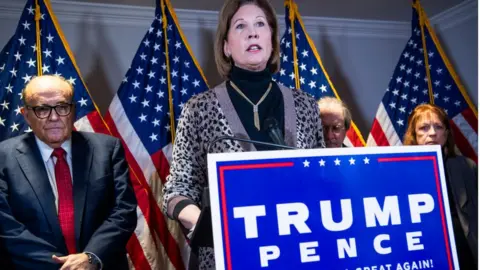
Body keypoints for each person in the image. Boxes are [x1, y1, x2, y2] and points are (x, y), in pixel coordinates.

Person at [162, 0, 325, 268]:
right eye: (240, 26)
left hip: (298, 250)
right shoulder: (200, 108)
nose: (253, 33)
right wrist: (213, 226)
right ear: (226, 46)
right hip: (231, 255)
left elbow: (320, 176)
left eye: (260, 24)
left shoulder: (305, 104)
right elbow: (177, 189)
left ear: (272, 39)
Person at [0, 75, 137, 269]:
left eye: (62, 107)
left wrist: (91, 257)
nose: (54, 117)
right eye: (42, 109)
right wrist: (63, 266)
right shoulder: (3, 157)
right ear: (26, 115)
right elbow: (6, 226)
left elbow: (124, 211)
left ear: (72, 110)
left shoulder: (108, 148)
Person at [403, 103, 477, 268]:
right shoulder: (401, 171)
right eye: (424, 128)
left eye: (438, 127)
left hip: (465, 247)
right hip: (423, 249)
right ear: (414, 135)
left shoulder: (467, 166)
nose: (432, 133)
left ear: (446, 133)